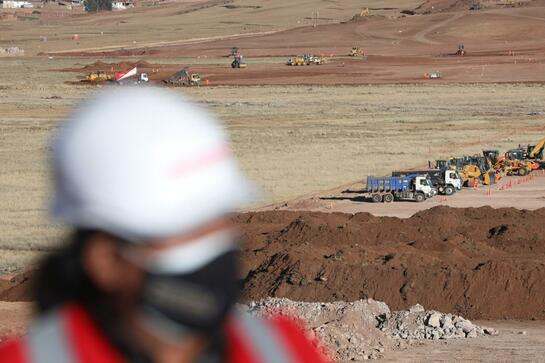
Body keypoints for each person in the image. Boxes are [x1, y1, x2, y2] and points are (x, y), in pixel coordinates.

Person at [0, 88, 329, 363]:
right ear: (104, 259)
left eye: (215, 219)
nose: (212, 246)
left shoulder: (280, 349)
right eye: (186, 229)